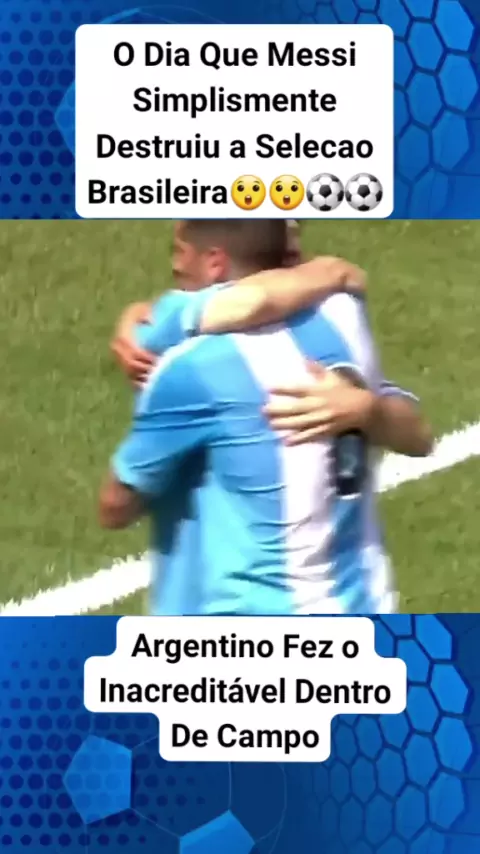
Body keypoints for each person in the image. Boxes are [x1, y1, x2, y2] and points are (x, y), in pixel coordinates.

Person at [99, 220, 432, 615]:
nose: (175, 264)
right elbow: (420, 436)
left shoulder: (191, 364)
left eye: (181, 250)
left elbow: (115, 506)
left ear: (215, 261)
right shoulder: (343, 314)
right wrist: (368, 409)